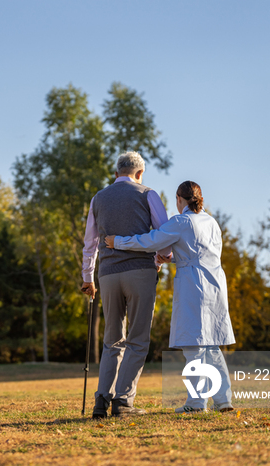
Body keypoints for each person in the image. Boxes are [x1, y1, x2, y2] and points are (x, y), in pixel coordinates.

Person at [104, 181, 235, 413]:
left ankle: (196, 403)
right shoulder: (212, 222)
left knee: (193, 345)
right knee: (211, 345)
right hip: (215, 284)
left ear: (179, 199)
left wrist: (119, 242)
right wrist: (173, 258)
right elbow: (201, 252)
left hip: (194, 286)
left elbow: (150, 240)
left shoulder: (181, 222)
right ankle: (223, 400)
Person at [82, 151, 172, 418]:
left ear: (115, 173)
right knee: (138, 339)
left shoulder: (98, 198)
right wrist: (162, 257)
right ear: (140, 173)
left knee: (112, 339)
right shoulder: (148, 194)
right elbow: (164, 236)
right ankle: (122, 402)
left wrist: (88, 278)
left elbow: (91, 243)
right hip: (140, 273)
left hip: (107, 275)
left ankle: (101, 400)